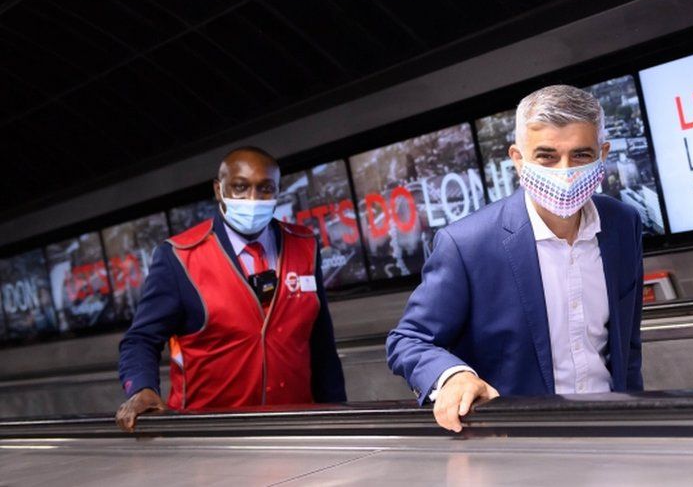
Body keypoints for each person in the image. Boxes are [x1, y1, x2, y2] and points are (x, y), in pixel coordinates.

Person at [387, 85, 644, 432]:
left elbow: (627, 344)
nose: (565, 172)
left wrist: (638, 422)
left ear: (603, 153)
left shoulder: (623, 224)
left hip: (613, 429)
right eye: (547, 156)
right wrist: (453, 376)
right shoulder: (467, 244)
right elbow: (408, 339)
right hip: (519, 440)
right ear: (518, 159)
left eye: (581, 155)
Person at [116, 146, 346, 432]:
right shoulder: (179, 257)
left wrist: (339, 416)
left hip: (296, 426)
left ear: (277, 191)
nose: (253, 199)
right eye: (240, 187)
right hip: (211, 435)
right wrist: (141, 388)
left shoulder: (305, 245)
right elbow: (140, 340)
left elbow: (321, 343)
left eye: (265, 189)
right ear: (218, 189)